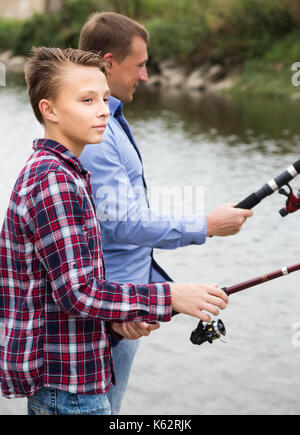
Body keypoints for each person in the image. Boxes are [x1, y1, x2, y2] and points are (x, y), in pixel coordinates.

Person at [0, 47, 229, 415]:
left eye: (105, 98)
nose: (104, 109)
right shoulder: (54, 181)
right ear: (50, 110)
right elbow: (79, 293)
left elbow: (62, 290)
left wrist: (118, 318)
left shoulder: (65, 172)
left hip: (72, 377)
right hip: (68, 388)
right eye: (87, 100)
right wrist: (168, 296)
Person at [78, 12, 253, 414]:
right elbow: (121, 224)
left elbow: (122, 227)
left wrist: (154, 295)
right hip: (109, 318)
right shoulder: (99, 134)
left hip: (125, 310)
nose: (145, 75)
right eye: (139, 64)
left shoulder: (112, 121)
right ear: (107, 63)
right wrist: (206, 225)